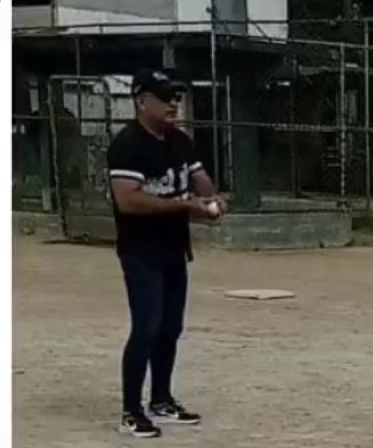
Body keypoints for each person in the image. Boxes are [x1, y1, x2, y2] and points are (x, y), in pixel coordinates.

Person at [107, 68, 228, 438]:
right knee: (146, 327)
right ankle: (131, 411)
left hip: (175, 248)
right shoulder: (128, 144)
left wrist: (212, 200)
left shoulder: (179, 140)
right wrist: (185, 206)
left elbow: (200, 180)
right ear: (142, 102)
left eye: (175, 97)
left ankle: (161, 400)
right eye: (165, 98)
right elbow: (128, 201)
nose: (173, 105)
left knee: (170, 328)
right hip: (140, 250)